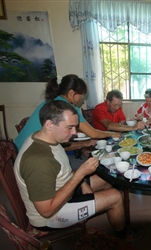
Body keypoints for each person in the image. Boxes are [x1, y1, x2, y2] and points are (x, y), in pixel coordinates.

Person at [14, 100, 142, 241]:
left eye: (75, 127)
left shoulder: (47, 139)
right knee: (115, 197)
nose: (74, 133)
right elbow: (46, 210)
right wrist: (81, 174)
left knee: (108, 179)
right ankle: (123, 236)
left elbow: (63, 171)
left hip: (61, 190)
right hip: (50, 217)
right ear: (49, 124)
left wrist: (82, 183)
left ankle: (114, 216)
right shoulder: (37, 160)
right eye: (69, 128)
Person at [14, 74, 121, 151]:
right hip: (29, 153)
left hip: (19, 148)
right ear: (71, 93)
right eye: (81, 95)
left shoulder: (52, 101)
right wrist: (112, 133)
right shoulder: (65, 108)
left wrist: (82, 144)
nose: (82, 99)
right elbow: (92, 133)